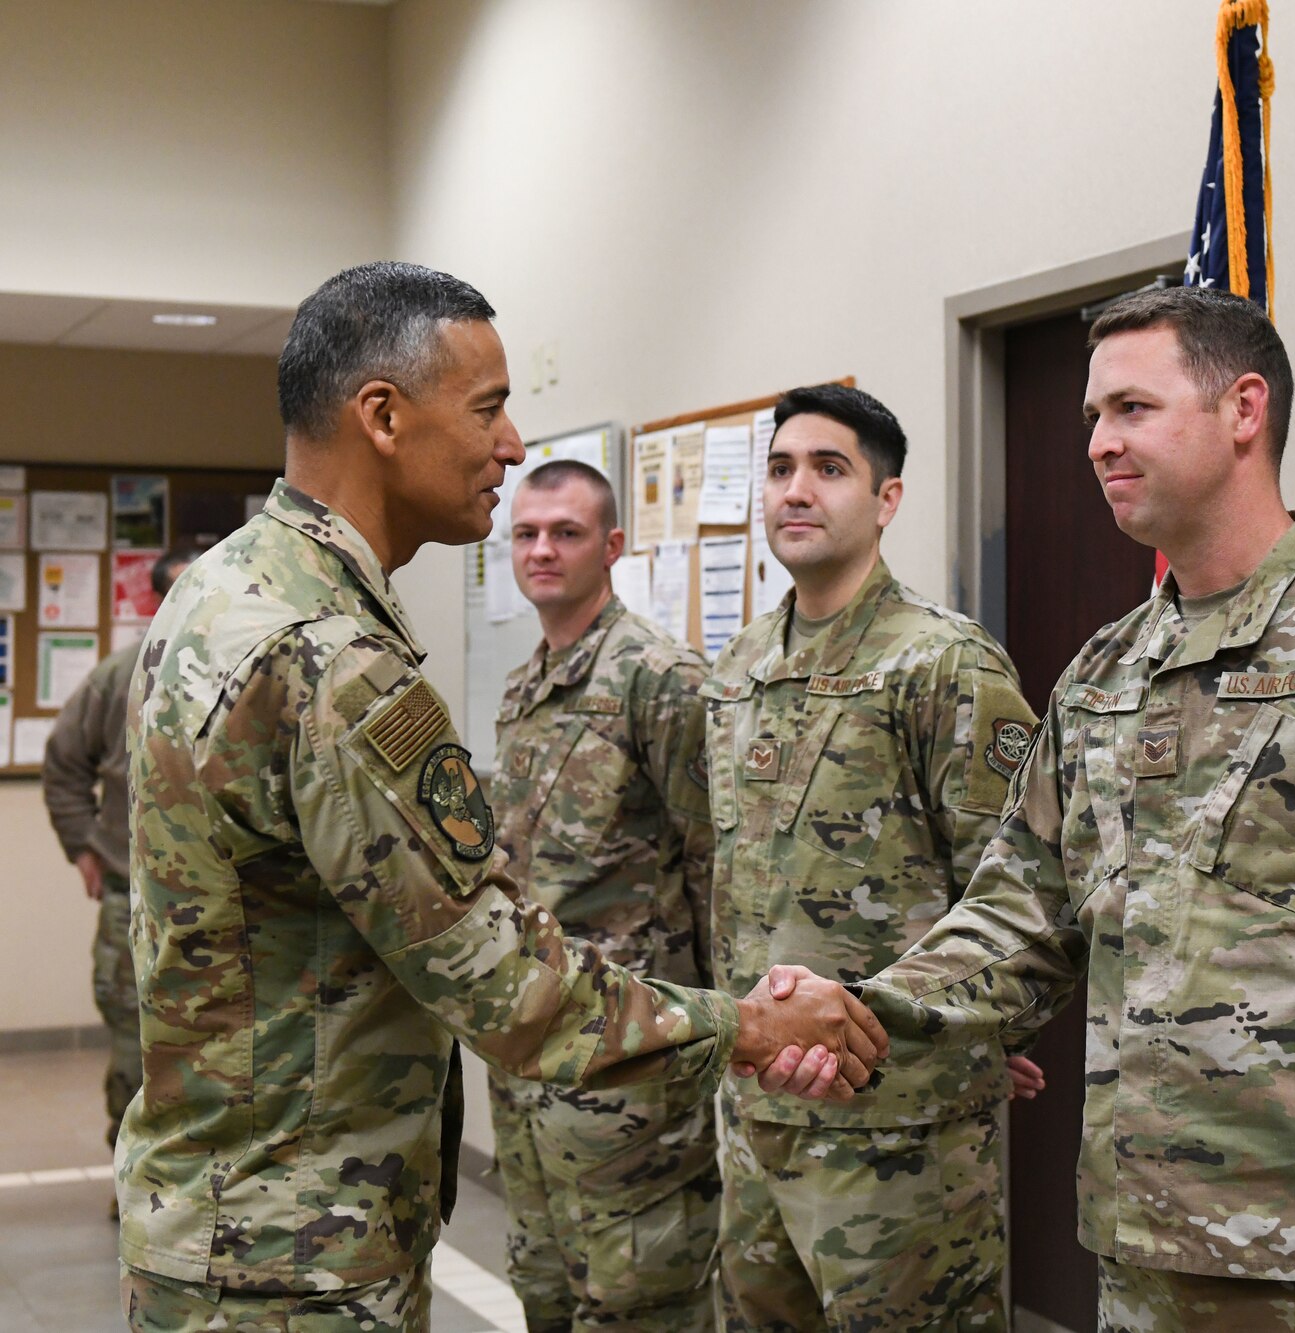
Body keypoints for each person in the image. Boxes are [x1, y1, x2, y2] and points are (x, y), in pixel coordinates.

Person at [769, 289, 1295, 1332]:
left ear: (1242, 409)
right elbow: (1018, 916)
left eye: (1129, 408)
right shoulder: (1103, 673)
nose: (1096, 442)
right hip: (1146, 1252)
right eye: (1091, 416)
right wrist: (864, 1012)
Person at [116, 261, 885, 1333]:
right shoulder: (334, 659)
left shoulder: (220, 592)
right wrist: (747, 1027)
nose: (514, 445)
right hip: (295, 1253)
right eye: (487, 409)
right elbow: (501, 980)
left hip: (219, 1215)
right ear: (382, 415)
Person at [701, 383, 1043, 1331]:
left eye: (828, 468)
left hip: (898, 1133)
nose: (795, 490)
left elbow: (1020, 891)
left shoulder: (943, 665)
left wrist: (980, 1030)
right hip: (757, 1116)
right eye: (780, 469)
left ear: (886, 500)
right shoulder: (736, 671)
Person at [489, 458, 720, 1331]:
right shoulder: (525, 687)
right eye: (526, 533)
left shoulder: (659, 678)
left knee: (638, 1302)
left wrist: (717, 1036)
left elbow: (713, 861)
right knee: (544, 1285)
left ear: (613, 545)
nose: (542, 550)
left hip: (632, 1059)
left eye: (567, 532)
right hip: (533, 1049)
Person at [42, 547, 194, 1154]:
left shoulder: (249, 670)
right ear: (156, 602)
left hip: (220, 897)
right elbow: (64, 764)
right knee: (135, 1046)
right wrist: (83, 846)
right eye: (180, 591)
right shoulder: (119, 676)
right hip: (130, 891)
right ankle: (129, 1177)